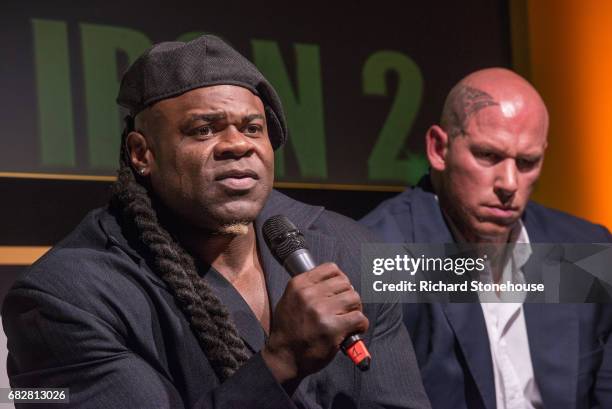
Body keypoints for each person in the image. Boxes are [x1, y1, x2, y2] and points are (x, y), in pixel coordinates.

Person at [1, 35, 431, 408]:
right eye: (204, 130)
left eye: (252, 127)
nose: (237, 145)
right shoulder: (63, 298)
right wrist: (280, 363)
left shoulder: (345, 247)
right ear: (141, 153)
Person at [361, 68, 612, 409]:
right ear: (438, 148)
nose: (509, 183)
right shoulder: (385, 251)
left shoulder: (581, 247)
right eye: (488, 156)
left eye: (527, 162)